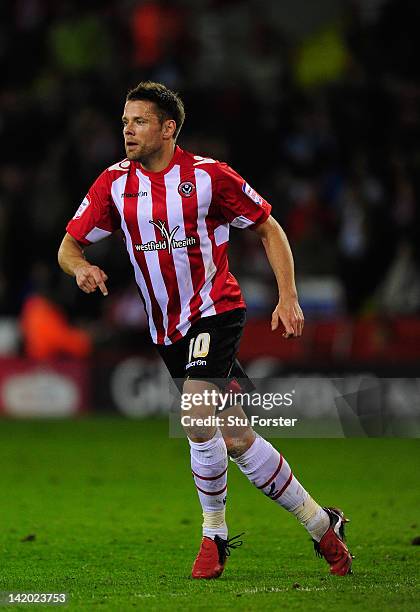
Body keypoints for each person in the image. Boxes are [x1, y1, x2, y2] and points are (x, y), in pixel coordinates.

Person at [58, 81, 353, 579]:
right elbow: (68, 246)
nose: (127, 129)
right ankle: (323, 523)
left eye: (139, 121)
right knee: (235, 436)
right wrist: (80, 267)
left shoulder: (209, 177)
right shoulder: (112, 183)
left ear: (168, 128)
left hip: (215, 309)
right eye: (125, 120)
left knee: (195, 410)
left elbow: (268, 227)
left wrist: (288, 296)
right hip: (167, 329)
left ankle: (213, 533)